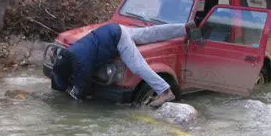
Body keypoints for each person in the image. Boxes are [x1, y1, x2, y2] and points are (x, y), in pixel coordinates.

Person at [52, 21, 194, 107]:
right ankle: (183, 28)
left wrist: (74, 96)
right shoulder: (72, 52)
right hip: (114, 28)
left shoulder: (79, 62)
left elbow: (83, 86)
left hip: (117, 36)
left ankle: (165, 91)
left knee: (137, 66)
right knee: (150, 33)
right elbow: (59, 70)